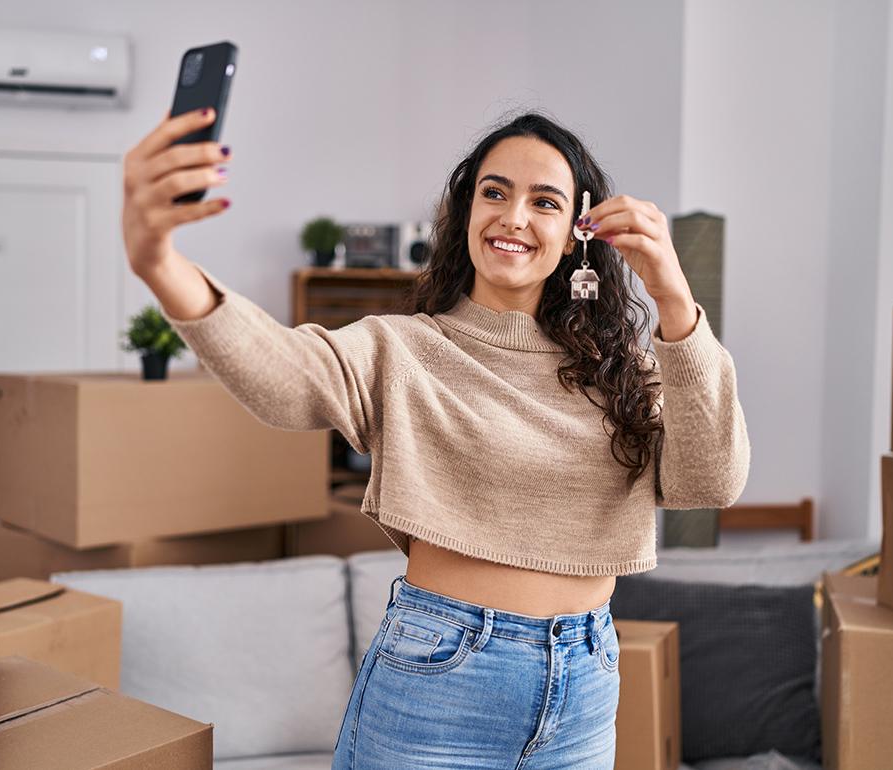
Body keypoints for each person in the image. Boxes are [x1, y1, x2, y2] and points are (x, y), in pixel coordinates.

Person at [122, 108, 750, 769]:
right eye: (495, 192)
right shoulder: (406, 349)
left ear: (575, 235)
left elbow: (710, 481)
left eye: (544, 201)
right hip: (444, 676)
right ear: (468, 211)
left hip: (586, 679)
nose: (513, 217)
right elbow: (285, 378)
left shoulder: (624, 368)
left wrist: (676, 306)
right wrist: (158, 262)